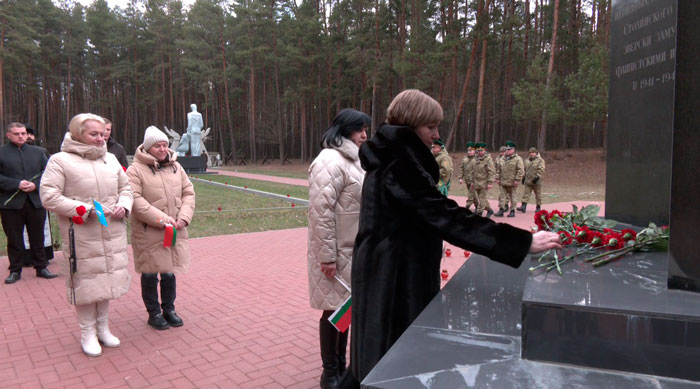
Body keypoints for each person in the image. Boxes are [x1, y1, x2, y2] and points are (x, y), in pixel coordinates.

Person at [346, 89, 561, 386]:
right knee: (392, 360)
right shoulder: (401, 163)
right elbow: (445, 216)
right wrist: (521, 242)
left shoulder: (393, 156)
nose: (436, 134)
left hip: (388, 268)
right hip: (394, 275)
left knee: (381, 350)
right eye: (430, 127)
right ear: (410, 125)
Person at [40, 113, 133, 357]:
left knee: (107, 281)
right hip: (82, 233)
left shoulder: (111, 159)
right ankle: (87, 333)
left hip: (112, 230)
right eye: (94, 134)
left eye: (103, 134)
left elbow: (126, 188)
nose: (101, 139)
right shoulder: (60, 161)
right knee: (87, 284)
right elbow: (49, 196)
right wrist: (83, 209)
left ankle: (103, 328)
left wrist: (125, 204)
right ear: (77, 133)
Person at [308, 109, 370, 389]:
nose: (365, 135)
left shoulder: (355, 162)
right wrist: (327, 257)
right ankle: (329, 373)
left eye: (366, 129)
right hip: (334, 253)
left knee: (345, 310)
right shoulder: (329, 160)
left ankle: (341, 368)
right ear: (344, 130)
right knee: (332, 311)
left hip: (352, 250)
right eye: (359, 129)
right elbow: (321, 212)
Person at [127, 126, 195, 331]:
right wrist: (163, 219)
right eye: (157, 145)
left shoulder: (176, 167)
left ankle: (169, 309)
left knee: (168, 272)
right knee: (149, 273)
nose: (163, 149)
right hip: (149, 231)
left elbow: (188, 193)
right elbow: (135, 200)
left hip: (174, 229)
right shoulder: (135, 170)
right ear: (148, 148)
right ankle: (154, 313)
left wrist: (183, 217)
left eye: (165, 144)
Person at [0, 122, 57, 284]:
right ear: (8, 135)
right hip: (11, 204)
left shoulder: (38, 152)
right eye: (17, 133)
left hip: (35, 202)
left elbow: (48, 174)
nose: (21, 136)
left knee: (37, 237)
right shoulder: (2, 153)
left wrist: (35, 185)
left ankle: (41, 267)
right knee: (14, 239)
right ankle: (15, 270)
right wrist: (16, 184)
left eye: (23, 133)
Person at [494, 141, 524, 218]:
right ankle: (501, 209)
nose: (507, 151)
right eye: (506, 149)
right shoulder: (502, 159)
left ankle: (512, 211)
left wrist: (517, 180)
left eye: (509, 149)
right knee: (501, 196)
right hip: (503, 182)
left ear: (513, 150)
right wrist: (497, 178)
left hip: (512, 182)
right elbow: (498, 169)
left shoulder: (518, 159)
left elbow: (520, 171)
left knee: (513, 197)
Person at [518, 147, 546, 213]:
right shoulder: (527, 160)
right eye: (530, 152)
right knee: (526, 194)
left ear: (536, 153)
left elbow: (541, 170)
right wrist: (523, 177)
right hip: (528, 180)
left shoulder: (540, 160)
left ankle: (538, 207)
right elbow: (524, 169)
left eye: (533, 152)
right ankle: (523, 206)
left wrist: (537, 177)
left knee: (538, 195)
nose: (531, 154)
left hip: (536, 181)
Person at [472, 142, 496, 218]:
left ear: (484, 150)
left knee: (482, 198)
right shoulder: (475, 159)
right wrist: (472, 181)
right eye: (478, 151)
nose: (479, 152)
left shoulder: (488, 159)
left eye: (481, 150)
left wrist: (490, 182)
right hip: (477, 182)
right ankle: (489, 210)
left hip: (484, 182)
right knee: (482, 198)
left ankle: (479, 212)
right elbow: (473, 171)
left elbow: (491, 171)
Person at [458, 141, 479, 211]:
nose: (469, 152)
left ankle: (467, 207)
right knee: (473, 194)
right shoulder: (465, 159)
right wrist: (460, 178)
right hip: (467, 180)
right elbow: (461, 169)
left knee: (471, 194)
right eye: (468, 150)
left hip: (475, 181)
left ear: (475, 151)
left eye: (471, 150)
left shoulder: (477, 159)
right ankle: (477, 206)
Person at [494, 145, 507, 213]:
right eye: (501, 152)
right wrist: (496, 177)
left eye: (503, 151)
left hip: (507, 178)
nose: (502, 153)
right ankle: (502, 205)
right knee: (501, 192)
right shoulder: (497, 158)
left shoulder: (507, 158)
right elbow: (495, 167)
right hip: (499, 177)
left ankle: (506, 204)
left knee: (506, 193)